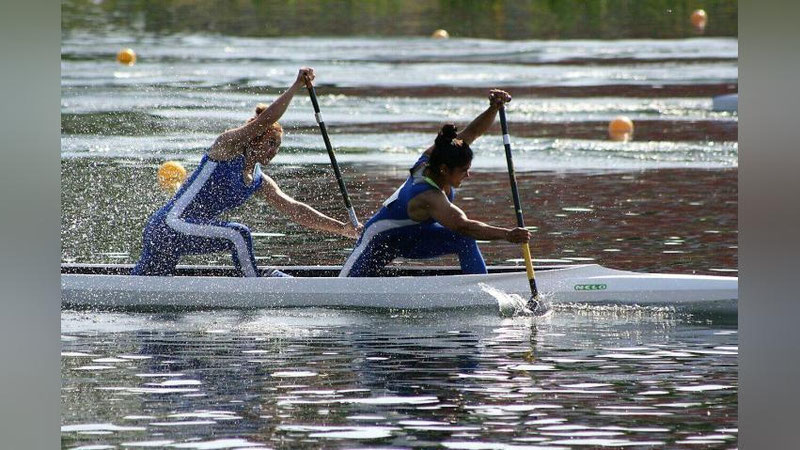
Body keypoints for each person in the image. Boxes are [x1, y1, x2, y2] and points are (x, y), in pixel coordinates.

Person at [132, 67, 360, 278]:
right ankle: (254, 287)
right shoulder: (225, 148)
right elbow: (267, 119)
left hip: (180, 235)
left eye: (278, 146)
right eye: (271, 143)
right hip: (169, 225)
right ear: (254, 137)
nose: (274, 151)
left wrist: (342, 228)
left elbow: (295, 210)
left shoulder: (259, 180)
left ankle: (258, 281)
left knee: (142, 283)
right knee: (238, 234)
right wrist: (296, 85)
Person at [340, 90, 530, 277]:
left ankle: (481, 288)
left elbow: (472, 133)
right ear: (445, 170)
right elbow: (463, 225)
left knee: (464, 240)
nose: (468, 175)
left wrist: (493, 108)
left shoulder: (436, 157)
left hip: (413, 238)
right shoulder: (428, 195)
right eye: (463, 170)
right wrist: (507, 235)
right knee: (345, 288)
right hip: (377, 243)